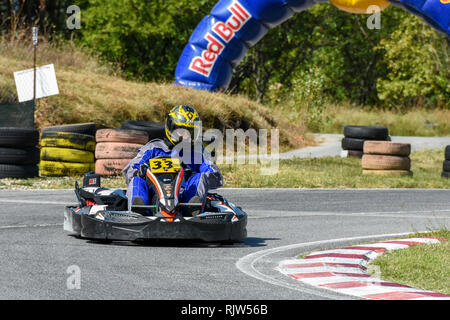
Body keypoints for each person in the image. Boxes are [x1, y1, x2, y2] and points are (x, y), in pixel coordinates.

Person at [122, 105, 223, 216]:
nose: (186, 136)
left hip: (183, 196)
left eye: (190, 132)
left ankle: (192, 210)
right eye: (181, 131)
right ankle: (137, 213)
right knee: (137, 181)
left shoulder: (197, 153)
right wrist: (140, 171)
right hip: (154, 194)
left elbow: (216, 175)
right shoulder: (153, 148)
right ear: (171, 128)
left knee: (199, 177)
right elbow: (129, 170)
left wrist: (194, 174)